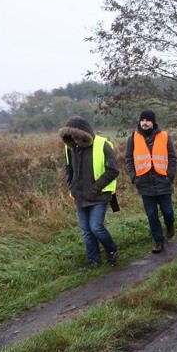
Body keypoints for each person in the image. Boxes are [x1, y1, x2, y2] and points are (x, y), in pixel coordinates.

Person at [58, 115, 120, 269]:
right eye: (71, 135)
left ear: (84, 132)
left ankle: (112, 251)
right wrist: (71, 186)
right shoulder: (69, 148)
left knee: (96, 228)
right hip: (80, 196)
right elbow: (69, 169)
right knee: (86, 231)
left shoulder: (103, 145)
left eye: (76, 134)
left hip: (99, 195)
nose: (74, 138)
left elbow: (113, 170)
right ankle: (94, 260)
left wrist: (96, 187)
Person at [125, 109, 177, 254]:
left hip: (163, 182)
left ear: (153, 122)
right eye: (142, 120)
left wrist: (170, 176)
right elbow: (128, 159)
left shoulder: (165, 136)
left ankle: (170, 225)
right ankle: (158, 241)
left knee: (167, 211)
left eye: (147, 120)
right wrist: (134, 177)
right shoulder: (133, 138)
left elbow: (173, 157)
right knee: (152, 215)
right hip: (144, 183)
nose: (144, 123)